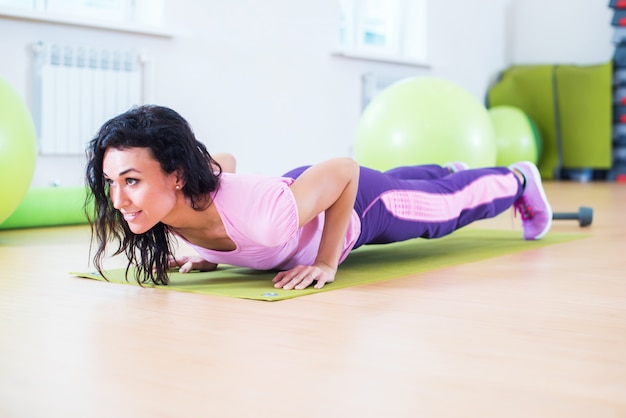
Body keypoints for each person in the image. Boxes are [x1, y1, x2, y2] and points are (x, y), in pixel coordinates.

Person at [85, 105, 552, 291]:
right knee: (412, 184)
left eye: (131, 181)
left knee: (443, 210)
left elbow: (345, 170)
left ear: (177, 176)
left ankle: (517, 180)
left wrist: (328, 263)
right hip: (295, 198)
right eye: (112, 182)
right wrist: (207, 253)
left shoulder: (261, 218)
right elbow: (223, 160)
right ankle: (444, 172)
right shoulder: (172, 199)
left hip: (354, 210)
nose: (119, 199)